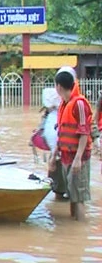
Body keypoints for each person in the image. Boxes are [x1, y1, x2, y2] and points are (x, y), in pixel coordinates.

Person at [48, 68, 93, 221]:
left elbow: (84, 132)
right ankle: (74, 227)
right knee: (72, 194)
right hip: (66, 155)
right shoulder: (63, 104)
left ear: (59, 86)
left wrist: (78, 159)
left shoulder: (79, 103)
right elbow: (61, 133)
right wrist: (54, 156)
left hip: (78, 157)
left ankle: (80, 231)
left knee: (78, 196)